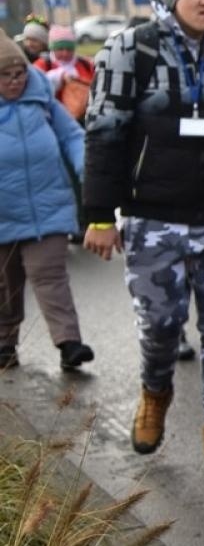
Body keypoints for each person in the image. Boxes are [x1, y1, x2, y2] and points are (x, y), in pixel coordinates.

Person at [81, 0, 204, 475]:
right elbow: (104, 135)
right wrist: (97, 215)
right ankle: (155, 391)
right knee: (160, 324)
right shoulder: (128, 50)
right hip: (151, 217)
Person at [0, 35, 93, 371]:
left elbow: (72, 135)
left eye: (20, 74)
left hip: (48, 204)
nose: (16, 81)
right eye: (6, 76)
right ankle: (4, 342)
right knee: (5, 285)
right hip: (4, 213)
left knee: (50, 276)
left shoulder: (41, 99)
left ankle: (69, 343)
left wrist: (85, 168)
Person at [39, 26, 94, 121]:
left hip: (84, 117)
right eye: (60, 49)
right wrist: (59, 77)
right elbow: (38, 86)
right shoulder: (43, 64)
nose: (65, 53)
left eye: (69, 49)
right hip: (51, 118)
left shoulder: (86, 64)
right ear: (52, 48)